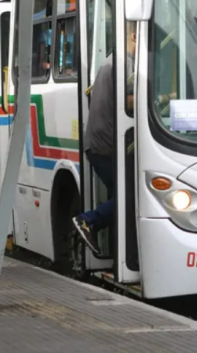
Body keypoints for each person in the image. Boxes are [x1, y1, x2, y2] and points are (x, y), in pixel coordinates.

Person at [72, 29, 136, 255]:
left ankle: (120, 252)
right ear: (134, 36)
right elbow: (129, 99)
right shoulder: (124, 63)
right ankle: (88, 221)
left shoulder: (112, 60)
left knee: (120, 197)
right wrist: (162, 98)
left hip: (100, 145)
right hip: (106, 147)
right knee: (132, 197)